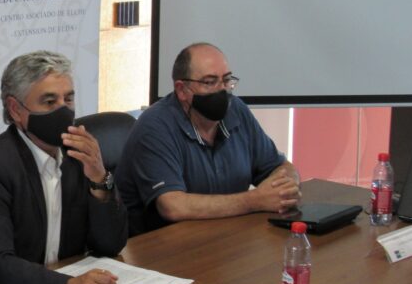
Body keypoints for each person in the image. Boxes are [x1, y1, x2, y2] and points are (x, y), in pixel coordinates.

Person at [0, 51, 128, 284]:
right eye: (49, 102)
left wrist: (99, 177)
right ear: (16, 109)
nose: (63, 110)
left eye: (68, 99)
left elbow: (110, 244)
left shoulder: (79, 155)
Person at [116, 42, 301, 233]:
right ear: (182, 90)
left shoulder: (236, 110)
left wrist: (286, 188)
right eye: (209, 82)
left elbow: (280, 167)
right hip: (156, 250)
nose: (221, 90)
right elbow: (172, 206)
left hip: (221, 238)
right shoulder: (155, 126)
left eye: (226, 80)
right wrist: (255, 200)